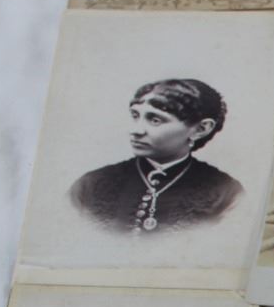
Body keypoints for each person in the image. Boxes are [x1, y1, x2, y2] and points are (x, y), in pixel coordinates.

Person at [69, 78, 244, 234]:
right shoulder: (90, 186)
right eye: (135, 116)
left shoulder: (225, 195)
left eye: (155, 120)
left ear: (201, 129)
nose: (135, 130)